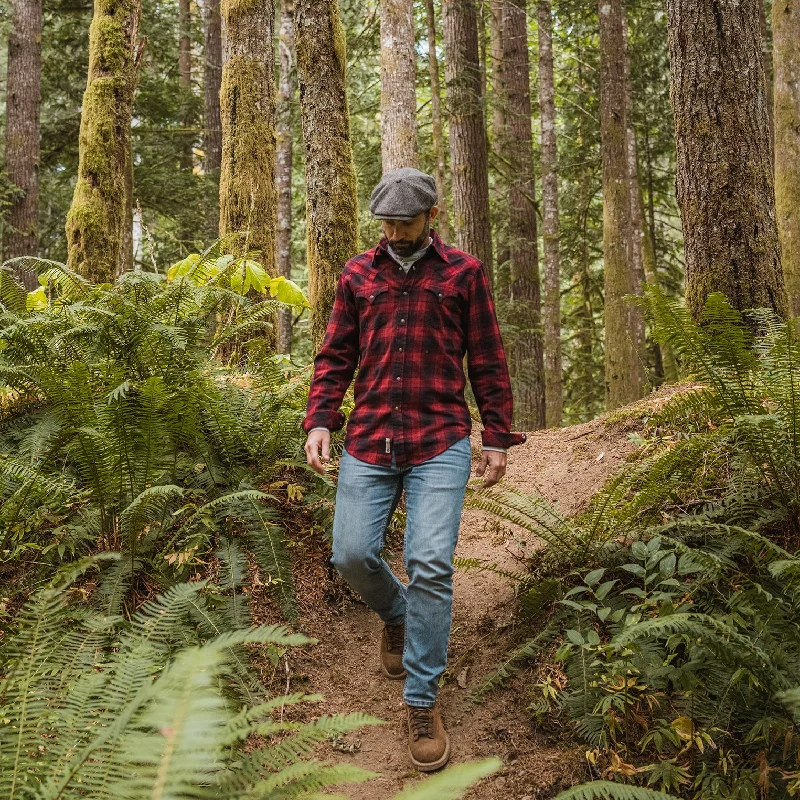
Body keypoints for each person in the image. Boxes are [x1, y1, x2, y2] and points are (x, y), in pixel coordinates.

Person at [303, 167, 526, 772]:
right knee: (351, 554)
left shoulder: (463, 273)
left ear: (432, 216)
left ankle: (421, 699)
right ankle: (399, 616)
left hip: (441, 440)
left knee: (430, 562)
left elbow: (487, 356)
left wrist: (496, 436)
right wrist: (320, 419)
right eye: (388, 223)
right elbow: (335, 354)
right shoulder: (358, 274)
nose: (396, 232)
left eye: (406, 221)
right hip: (370, 437)